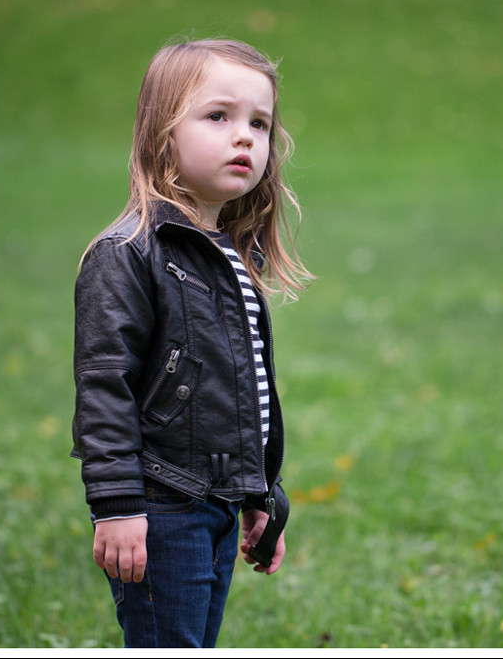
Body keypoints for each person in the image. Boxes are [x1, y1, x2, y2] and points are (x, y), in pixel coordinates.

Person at [70, 38, 312, 648]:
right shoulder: (129, 254)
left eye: (259, 123)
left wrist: (259, 493)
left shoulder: (229, 254)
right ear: (161, 136)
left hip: (216, 505)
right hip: (160, 507)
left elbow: (239, 391)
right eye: (219, 116)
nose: (245, 137)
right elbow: (105, 387)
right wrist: (117, 506)